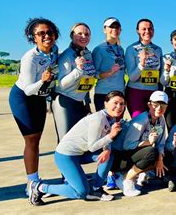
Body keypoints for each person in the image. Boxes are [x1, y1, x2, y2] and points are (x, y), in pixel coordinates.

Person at [28, 91, 124, 206]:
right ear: (106, 103)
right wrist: (111, 136)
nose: (119, 107)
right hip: (65, 156)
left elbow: (104, 137)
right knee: (81, 192)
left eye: (122, 104)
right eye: (116, 103)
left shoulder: (111, 118)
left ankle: (96, 188)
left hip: (80, 154)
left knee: (108, 156)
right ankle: (39, 187)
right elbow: (92, 146)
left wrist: (107, 149)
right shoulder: (98, 119)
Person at [9, 18, 59, 195]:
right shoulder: (30, 57)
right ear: (34, 37)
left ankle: (34, 179)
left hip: (40, 98)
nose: (46, 36)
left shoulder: (55, 51)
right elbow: (29, 90)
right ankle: (32, 183)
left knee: (37, 139)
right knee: (31, 140)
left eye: (50, 32)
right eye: (41, 33)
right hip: (24, 97)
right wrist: (43, 81)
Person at [110, 91, 169, 197]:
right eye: (155, 105)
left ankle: (137, 173)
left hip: (132, 154)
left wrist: (160, 160)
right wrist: (148, 142)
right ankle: (126, 179)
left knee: (165, 155)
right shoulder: (142, 119)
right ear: (149, 104)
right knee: (151, 152)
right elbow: (127, 146)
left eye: (163, 105)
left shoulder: (161, 120)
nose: (159, 108)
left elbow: (161, 143)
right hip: (118, 158)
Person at [52, 23, 95, 142]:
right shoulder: (67, 55)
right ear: (72, 36)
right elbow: (62, 84)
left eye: (87, 34)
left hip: (79, 102)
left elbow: (87, 79)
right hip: (65, 102)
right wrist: (78, 69)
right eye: (79, 33)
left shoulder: (88, 54)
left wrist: (87, 102)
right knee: (65, 142)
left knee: (77, 142)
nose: (83, 36)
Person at [125, 18, 164, 118]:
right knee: (139, 124)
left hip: (154, 92)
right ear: (137, 31)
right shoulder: (131, 49)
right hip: (136, 92)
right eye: (144, 29)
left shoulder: (158, 49)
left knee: (154, 124)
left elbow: (161, 75)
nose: (147, 31)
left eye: (150, 29)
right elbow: (132, 77)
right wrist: (141, 64)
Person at [92, 17, 125, 111]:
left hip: (120, 93)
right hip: (104, 94)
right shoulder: (99, 49)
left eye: (117, 27)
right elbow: (94, 74)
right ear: (104, 29)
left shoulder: (121, 49)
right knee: (105, 125)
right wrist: (109, 72)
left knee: (117, 125)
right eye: (111, 27)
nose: (114, 29)